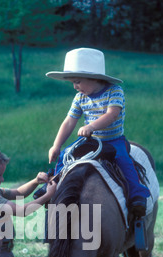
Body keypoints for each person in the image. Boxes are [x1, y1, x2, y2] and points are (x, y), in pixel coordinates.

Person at [46, 48, 150, 217]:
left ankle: (137, 194)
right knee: (66, 155)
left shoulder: (114, 91)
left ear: (94, 78)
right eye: (72, 82)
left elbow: (112, 114)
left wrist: (91, 127)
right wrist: (56, 145)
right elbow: (69, 121)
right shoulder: (80, 98)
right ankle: (54, 184)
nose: (75, 87)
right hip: (91, 141)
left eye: (78, 81)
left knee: (123, 160)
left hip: (113, 140)